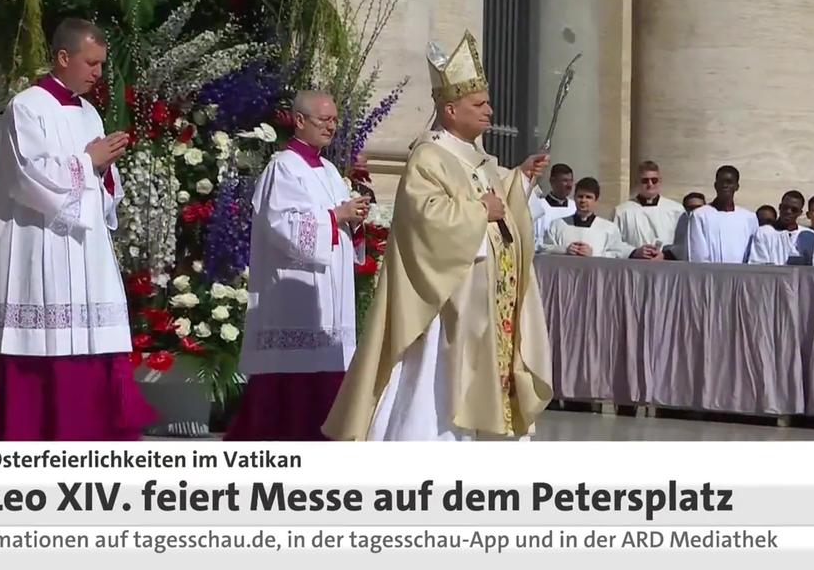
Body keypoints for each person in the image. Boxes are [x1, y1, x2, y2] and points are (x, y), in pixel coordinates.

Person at [322, 30, 552, 441]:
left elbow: (498, 203)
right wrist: (481, 210)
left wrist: (519, 179)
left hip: (478, 302)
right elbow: (426, 220)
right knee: (433, 385)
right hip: (443, 303)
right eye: (479, 104)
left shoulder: (476, 158)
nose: (489, 111)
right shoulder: (428, 156)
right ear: (450, 109)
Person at [0, 18, 155, 441]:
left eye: (102, 65)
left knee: (93, 349)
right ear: (62, 58)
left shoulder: (89, 112)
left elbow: (103, 196)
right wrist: (87, 163)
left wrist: (105, 172)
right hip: (42, 249)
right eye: (91, 63)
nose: (98, 73)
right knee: (46, 354)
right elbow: (28, 179)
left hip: (86, 254)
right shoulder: (27, 108)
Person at [224, 92, 370, 441]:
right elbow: (283, 227)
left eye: (335, 119)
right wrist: (337, 217)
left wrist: (355, 218)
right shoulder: (284, 168)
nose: (331, 126)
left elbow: (338, 222)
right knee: (292, 397)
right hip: (294, 299)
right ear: (300, 121)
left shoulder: (331, 171)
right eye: (323, 119)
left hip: (330, 299)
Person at [541, 177, 637, 258]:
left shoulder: (609, 229)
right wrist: (565, 250)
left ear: (596, 200)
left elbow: (617, 254)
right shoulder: (558, 225)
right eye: (580, 196)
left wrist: (594, 254)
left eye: (588, 197)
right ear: (574, 198)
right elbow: (543, 249)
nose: (583, 200)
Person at [686, 165, 758, 264]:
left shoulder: (749, 218)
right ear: (715, 185)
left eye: (729, 182)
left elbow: (753, 254)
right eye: (721, 182)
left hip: (741, 276)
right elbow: (698, 255)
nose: (725, 185)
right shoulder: (700, 215)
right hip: (712, 276)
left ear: (736, 186)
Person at [613, 161, 685, 260]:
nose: (650, 184)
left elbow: (683, 243)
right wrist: (634, 252)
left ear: (660, 181)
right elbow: (613, 243)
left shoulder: (676, 210)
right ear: (637, 182)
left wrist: (665, 255)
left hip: (666, 267)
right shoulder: (622, 211)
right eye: (645, 180)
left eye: (654, 180)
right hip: (635, 266)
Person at [746, 191, 814, 266]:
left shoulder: (809, 235)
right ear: (779, 207)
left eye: (794, 210)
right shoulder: (764, 232)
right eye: (785, 207)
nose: (788, 212)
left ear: (800, 212)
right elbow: (758, 263)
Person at [528, 164, 576, 250]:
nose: (569, 185)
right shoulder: (538, 206)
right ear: (552, 181)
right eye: (565, 180)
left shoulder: (575, 207)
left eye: (571, 181)